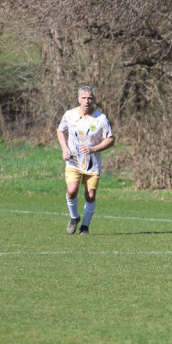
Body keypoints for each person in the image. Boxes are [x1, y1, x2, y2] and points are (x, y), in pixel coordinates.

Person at [57, 86, 115, 235]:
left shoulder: (100, 118)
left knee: (90, 195)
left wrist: (93, 149)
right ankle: (74, 217)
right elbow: (60, 130)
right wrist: (64, 149)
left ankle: (85, 226)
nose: (87, 101)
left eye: (89, 98)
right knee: (71, 190)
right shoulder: (69, 115)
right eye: (83, 98)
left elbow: (110, 139)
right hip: (74, 161)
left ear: (93, 100)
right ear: (78, 99)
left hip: (92, 164)